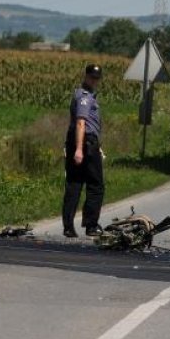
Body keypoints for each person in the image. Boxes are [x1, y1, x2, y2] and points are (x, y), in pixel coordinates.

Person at [62, 64, 105, 238]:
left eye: (96, 78)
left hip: (84, 142)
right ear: (86, 76)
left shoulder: (83, 95)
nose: (94, 80)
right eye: (91, 77)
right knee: (95, 185)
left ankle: (68, 226)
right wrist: (79, 149)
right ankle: (91, 225)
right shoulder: (85, 97)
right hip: (84, 144)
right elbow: (81, 123)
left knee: (75, 183)